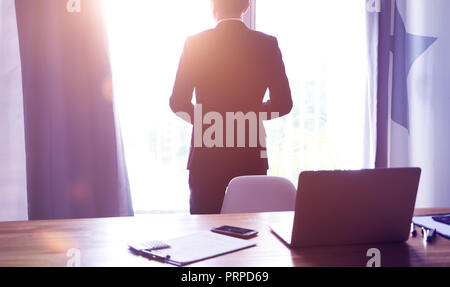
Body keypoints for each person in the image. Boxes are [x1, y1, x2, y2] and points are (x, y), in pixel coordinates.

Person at [170, 0, 292, 214]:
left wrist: (209, 120)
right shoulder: (267, 44)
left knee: (205, 230)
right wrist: (248, 115)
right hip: (250, 155)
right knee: (249, 231)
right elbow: (284, 104)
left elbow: (177, 102)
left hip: (207, 155)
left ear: (213, 6)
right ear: (246, 7)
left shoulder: (196, 44)